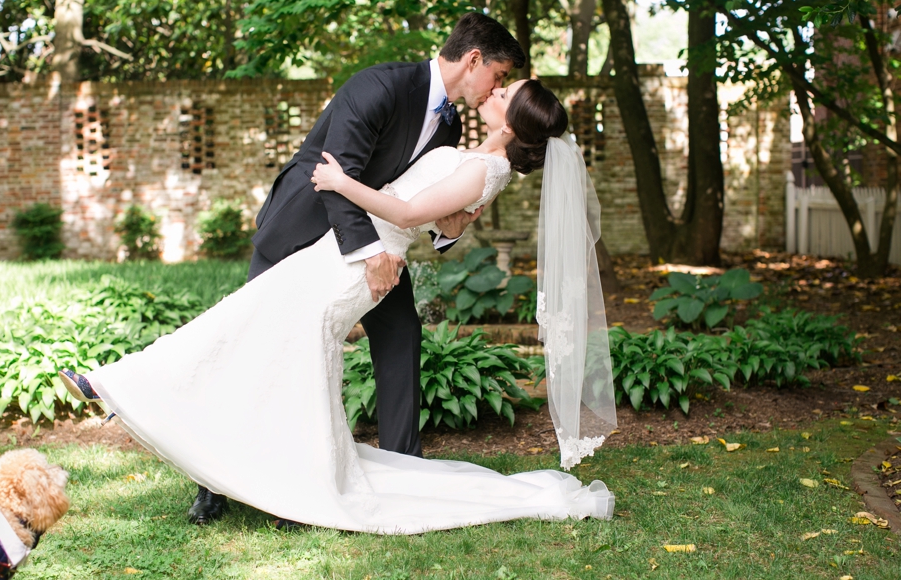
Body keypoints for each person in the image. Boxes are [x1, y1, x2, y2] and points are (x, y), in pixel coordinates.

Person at [58, 76, 618, 534]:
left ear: (513, 122)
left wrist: (338, 181)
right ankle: (164, 409)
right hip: (338, 253)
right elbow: (435, 212)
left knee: (253, 329)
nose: (494, 92)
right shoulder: (473, 155)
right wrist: (450, 219)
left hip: (361, 262)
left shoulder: (482, 167)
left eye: (504, 94)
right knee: (263, 336)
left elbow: (403, 214)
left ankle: (118, 386)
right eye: (498, 84)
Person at [190, 12, 524, 525]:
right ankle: (215, 482)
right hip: (303, 228)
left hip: (379, 241)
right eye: (499, 76)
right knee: (259, 347)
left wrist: (451, 227)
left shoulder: (453, 124)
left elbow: (424, 200)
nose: (497, 87)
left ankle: (401, 466)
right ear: (474, 60)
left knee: (401, 335)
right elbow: (333, 171)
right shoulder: (379, 86)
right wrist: (371, 254)